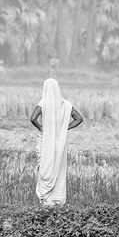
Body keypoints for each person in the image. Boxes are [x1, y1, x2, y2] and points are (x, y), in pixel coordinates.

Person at [30, 78, 83, 206]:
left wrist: (41, 128)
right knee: (59, 166)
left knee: (45, 165)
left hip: (46, 141)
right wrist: (64, 128)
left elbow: (32, 118)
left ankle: (46, 199)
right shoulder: (66, 104)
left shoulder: (43, 103)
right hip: (60, 141)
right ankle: (57, 200)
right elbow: (79, 118)